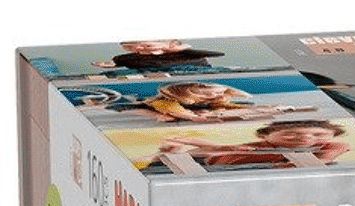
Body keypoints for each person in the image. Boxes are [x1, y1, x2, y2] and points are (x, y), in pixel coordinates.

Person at [157, 120, 349, 167]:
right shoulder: (261, 145)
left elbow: (336, 150)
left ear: (332, 135)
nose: (306, 138)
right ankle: (170, 152)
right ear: (265, 136)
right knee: (203, 150)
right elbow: (211, 147)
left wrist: (320, 160)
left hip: (226, 166)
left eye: (319, 134)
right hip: (210, 161)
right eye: (290, 134)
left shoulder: (327, 146)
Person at [135, 82, 309, 123]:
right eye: (209, 92)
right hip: (153, 108)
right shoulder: (166, 101)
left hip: (190, 110)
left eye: (219, 92)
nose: (215, 95)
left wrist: (268, 107)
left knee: (211, 110)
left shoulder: (216, 97)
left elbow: (226, 107)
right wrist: (195, 117)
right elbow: (180, 112)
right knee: (167, 117)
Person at [94, 39, 226, 75]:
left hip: (189, 70)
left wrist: (179, 48)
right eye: (135, 47)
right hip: (149, 73)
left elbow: (218, 54)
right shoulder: (125, 57)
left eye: (146, 45)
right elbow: (116, 64)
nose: (140, 48)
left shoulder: (186, 53)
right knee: (110, 74)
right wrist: (108, 65)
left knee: (223, 70)